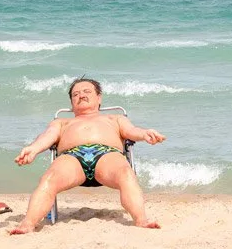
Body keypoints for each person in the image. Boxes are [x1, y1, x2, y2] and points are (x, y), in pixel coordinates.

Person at [10, 76, 165, 234]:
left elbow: (132, 131)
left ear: (99, 97)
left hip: (107, 154)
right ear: (71, 102)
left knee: (126, 173)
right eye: (75, 94)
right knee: (49, 179)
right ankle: (28, 224)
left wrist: (145, 134)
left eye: (86, 91)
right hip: (72, 157)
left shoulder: (115, 119)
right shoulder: (62, 122)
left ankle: (141, 219)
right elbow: (47, 136)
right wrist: (33, 149)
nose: (81, 95)